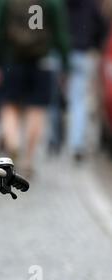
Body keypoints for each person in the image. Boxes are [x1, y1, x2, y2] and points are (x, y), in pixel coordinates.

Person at [0, 0, 70, 177]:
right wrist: (65, 63)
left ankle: (13, 143)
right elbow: (61, 33)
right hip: (42, 62)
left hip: (12, 60)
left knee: (9, 105)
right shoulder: (52, 2)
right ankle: (28, 160)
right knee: (37, 109)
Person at [66, 0, 107, 162]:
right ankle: (76, 144)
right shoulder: (92, 4)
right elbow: (102, 27)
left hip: (63, 52)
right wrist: (95, 44)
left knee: (55, 100)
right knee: (79, 101)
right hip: (83, 53)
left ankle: (53, 140)